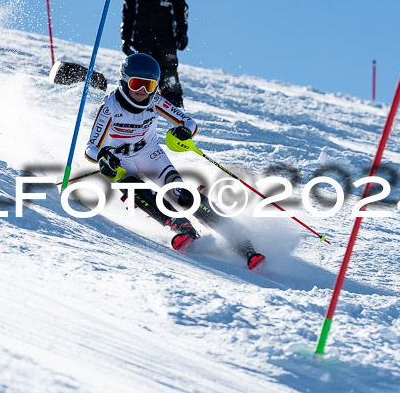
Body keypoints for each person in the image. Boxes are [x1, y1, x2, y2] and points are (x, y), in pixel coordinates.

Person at [85, 53, 265, 269]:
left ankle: (236, 235)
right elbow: (90, 148)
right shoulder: (110, 106)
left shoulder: (155, 101)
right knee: (130, 186)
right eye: (137, 84)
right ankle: (180, 225)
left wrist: (184, 132)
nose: (142, 92)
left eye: (149, 86)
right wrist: (103, 156)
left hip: (150, 153)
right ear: (124, 81)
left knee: (181, 194)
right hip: (121, 160)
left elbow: (189, 123)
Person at [121, 0, 189, 108]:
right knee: (144, 74)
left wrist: (182, 34)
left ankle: (175, 109)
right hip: (143, 41)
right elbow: (127, 16)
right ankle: (143, 109)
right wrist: (125, 39)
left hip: (166, 40)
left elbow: (182, 11)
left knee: (169, 75)